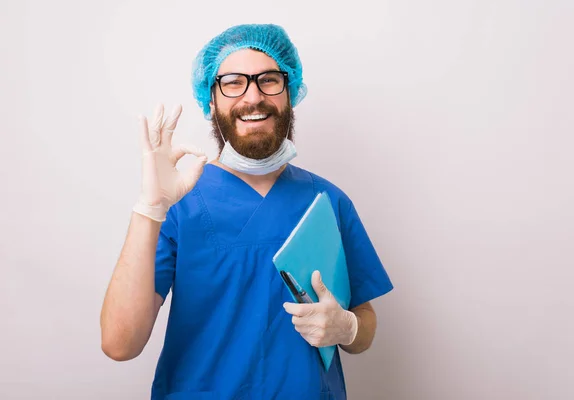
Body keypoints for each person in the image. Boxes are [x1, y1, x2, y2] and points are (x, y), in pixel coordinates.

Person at [100, 24, 393, 400]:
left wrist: (348, 328)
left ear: (290, 95)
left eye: (269, 80)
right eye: (233, 82)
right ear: (210, 101)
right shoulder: (177, 206)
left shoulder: (329, 201)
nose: (253, 96)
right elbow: (119, 344)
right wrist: (149, 208)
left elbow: (364, 325)